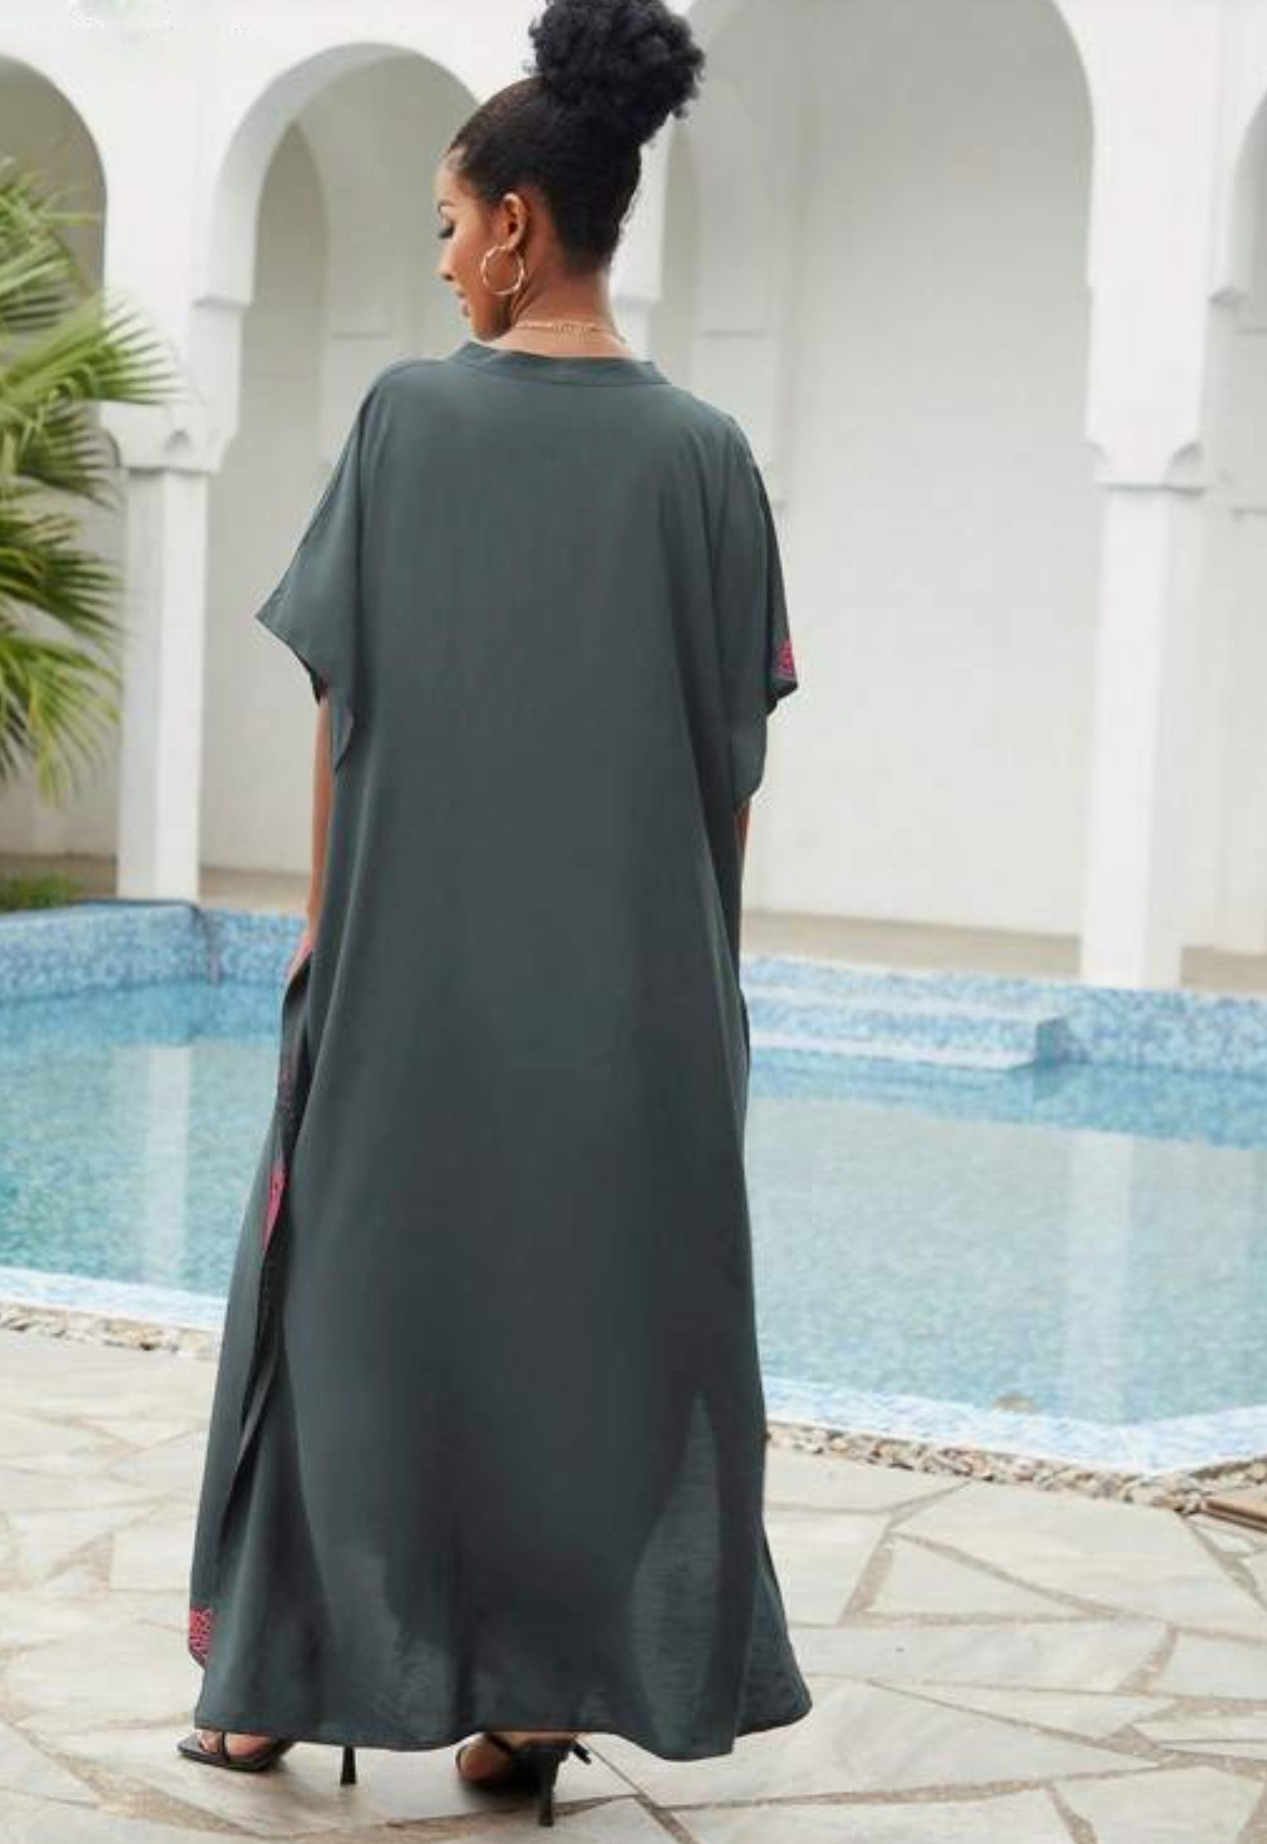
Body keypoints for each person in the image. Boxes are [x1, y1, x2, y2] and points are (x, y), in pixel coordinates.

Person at [179, 0, 811, 1825]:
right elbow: (733, 767)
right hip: (640, 1008)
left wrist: (327, 940)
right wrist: (698, 1003)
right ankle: (530, 1703)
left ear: (522, 225)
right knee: (585, 1346)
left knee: (349, 1325)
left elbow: (344, 713)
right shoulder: (709, 457)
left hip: (415, 988)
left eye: (453, 224)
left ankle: (271, 1687)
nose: (445, 259)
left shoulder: (408, 420)